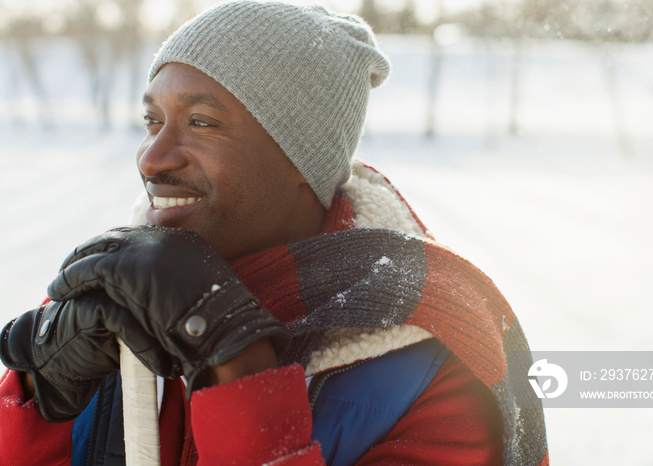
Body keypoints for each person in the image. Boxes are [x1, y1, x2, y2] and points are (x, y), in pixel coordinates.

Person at [0, 1, 548, 464]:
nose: (152, 158)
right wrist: (38, 398)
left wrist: (234, 358)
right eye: (152, 122)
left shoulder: (430, 359)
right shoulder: (119, 290)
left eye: (201, 123)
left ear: (300, 161)